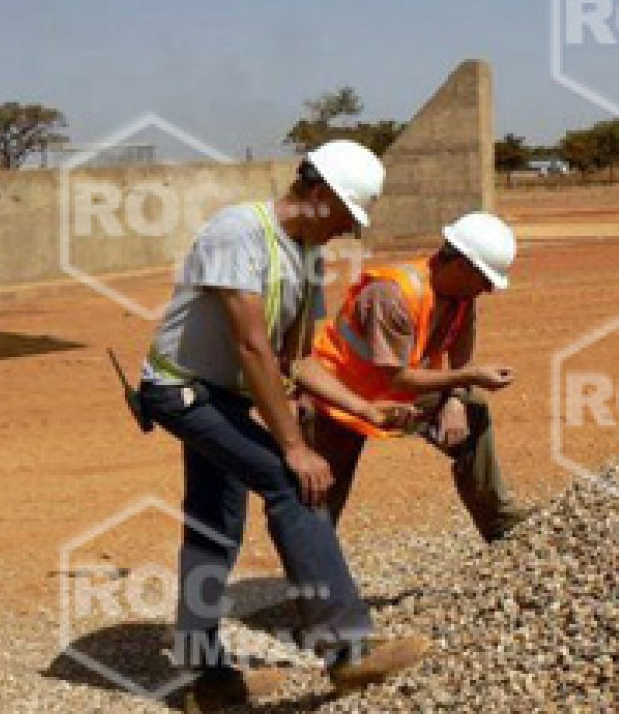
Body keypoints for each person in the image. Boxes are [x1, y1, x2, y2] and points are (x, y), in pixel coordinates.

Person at [137, 140, 428, 711]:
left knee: (213, 524)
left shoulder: (306, 256)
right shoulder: (238, 232)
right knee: (294, 484)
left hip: (220, 398)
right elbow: (250, 345)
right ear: (317, 194)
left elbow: (298, 360)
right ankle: (348, 651)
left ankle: (208, 680)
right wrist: (294, 447)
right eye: (345, 217)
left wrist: (364, 409)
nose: (346, 232)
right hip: (181, 391)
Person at [295, 212, 533, 543]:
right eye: (485, 278)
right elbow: (398, 379)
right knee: (319, 494)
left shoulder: (463, 298)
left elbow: (459, 352)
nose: (490, 289)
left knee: (472, 409)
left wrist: (454, 398)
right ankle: (313, 584)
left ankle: (502, 527)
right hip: (335, 399)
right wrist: (470, 376)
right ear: (461, 265)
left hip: (390, 395)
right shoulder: (393, 294)